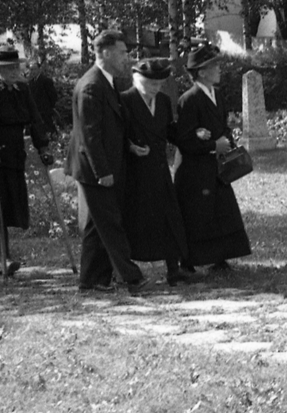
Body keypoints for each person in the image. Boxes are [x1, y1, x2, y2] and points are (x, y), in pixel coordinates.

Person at [66, 30, 150, 292]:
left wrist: (129, 146)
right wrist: (102, 171)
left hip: (104, 164)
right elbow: (90, 135)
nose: (127, 57)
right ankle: (131, 276)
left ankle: (91, 280)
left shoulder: (107, 81)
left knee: (96, 225)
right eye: (123, 52)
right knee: (110, 223)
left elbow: (109, 128)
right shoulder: (91, 85)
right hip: (94, 168)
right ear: (104, 52)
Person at [0, 41, 53, 278]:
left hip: (14, 155)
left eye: (14, 67)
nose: (12, 72)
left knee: (5, 208)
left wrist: (43, 146)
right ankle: (3, 258)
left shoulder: (22, 90)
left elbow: (35, 120)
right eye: (6, 68)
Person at [173, 45, 252, 271]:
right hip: (195, 171)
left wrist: (227, 142)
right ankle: (188, 261)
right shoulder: (189, 99)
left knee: (221, 212)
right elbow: (184, 139)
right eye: (213, 66)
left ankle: (220, 257)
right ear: (201, 72)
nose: (219, 69)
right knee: (197, 216)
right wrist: (211, 145)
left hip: (215, 168)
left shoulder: (217, 94)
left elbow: (223, 125)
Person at [121, 58, 190, 285]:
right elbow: (116, 135)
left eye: (159, 84)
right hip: (135, 171)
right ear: (137, 80)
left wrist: (192, 137)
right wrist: (130, 146)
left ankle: (174, 269)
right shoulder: (125, 100)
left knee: (169, 217)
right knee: (134, 220)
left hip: (159, 168)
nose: (156, 88)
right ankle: (123, 269)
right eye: (151, 84)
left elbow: (170, 131)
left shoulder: (162, 101)